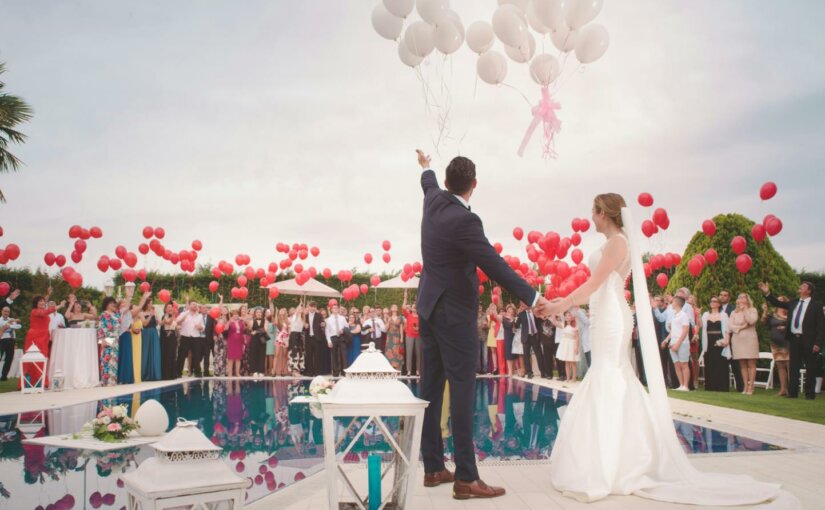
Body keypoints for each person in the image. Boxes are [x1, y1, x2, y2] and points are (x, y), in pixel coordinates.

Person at [535, 194, 782, 505]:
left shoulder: (617, 243)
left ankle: (615, 463)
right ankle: (620, 456)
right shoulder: (617, 241)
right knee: (610, 373)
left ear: (603, 213)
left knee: (610, 374)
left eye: (593, 212)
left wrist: (559, 303)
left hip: (611, 314)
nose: (591, 218)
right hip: (605, 313)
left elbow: (594, 284)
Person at [413, 149, 544, 499]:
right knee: (462, 390)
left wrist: (425, 165)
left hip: (427, 308)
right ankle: (466, 478)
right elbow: (495, 264)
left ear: (445, 181)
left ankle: (433, 467)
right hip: (454, 317)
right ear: (474, 185)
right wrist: (532, 298)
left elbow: (426, 182)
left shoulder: (432, 201)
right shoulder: (465, 220)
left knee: (429, 391)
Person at [760, 281, 825, 399]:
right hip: (794, 339)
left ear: (809, 291)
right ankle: (792, 393)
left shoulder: (816, 305)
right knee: (794, 366)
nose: (800, 286)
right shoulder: (794, 303)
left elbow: (821, 326)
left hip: (809, 340)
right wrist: (767, 293)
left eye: (804, 286)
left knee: (810, 367)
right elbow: (777, 303)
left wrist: (818, 343)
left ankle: (810, 394)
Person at [728, 293, 759, 395]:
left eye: (743, 297)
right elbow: (730, 326)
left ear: (747, 299)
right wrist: (741, 327)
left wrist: (745, 310)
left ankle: (751, 386)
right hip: (737, 339)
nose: (741, 298)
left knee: (751, 363)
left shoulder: (752, 310)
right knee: (742, 364)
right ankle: (745, 385)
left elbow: (751, 321)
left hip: (750, 339)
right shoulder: (734, 312)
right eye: (739, 297)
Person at [701, 296, 730, 392]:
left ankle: (721, 386)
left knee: (720, 362)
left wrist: (726, 341)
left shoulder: (724, 315)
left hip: (719, 339)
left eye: (715, 301)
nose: (712, 303)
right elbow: (700, 325)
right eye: (711, 301)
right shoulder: (705, 315)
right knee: (710, 362)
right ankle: (710, 385)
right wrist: (697, 315)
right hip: (708, 341)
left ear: (719, 304)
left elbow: (727, 330)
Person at [762, 297, 790, 396]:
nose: (779, 301)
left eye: (781, 300)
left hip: (787, 342)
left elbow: (794, 325)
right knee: (780, 366)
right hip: (775, 343)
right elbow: (764, 323)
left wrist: (785, 328)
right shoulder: (772, 315)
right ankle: (783, 390)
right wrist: (764, 311)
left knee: (789, 365)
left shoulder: (790, 314)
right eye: (778, 299)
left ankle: (791, 389)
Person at [663, 296, 691, 391]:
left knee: (684, 364)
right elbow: (673, 331)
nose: (671, 304)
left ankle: (686, 386)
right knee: (676, 364)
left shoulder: (684, 315)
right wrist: (666, 340)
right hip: (673, 342)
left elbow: (685, 330)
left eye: (673, 302)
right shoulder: (675, 315)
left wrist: (678, 344)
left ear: (677, 303)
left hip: (682, 343)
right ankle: (681, 384)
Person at [719, 289, 744, 392]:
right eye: (721, 295)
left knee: (735, 364)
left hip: (732, 339)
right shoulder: (716, 308)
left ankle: (740, 387)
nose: (722, 297)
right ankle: (722, 385)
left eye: (725, 295)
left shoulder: (733, 309)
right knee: (721, 364)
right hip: (719, 339)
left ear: (728, 298)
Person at [98, 297, 126, 386]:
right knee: (107, 359)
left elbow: (126, 308)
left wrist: (129, 296)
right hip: (107, 338)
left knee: (114, 360)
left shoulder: (116, 314)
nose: (113, 304)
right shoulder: (103, 314)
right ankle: (105, 381)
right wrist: (101, 340)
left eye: (114, 303)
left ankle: (113, 381)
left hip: (116, 339)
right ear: (106, 304)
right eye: (111, 303)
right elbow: (100, 328)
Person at [516, 302, 547, 379]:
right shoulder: (521, 314)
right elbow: (516, 325)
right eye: (522, 305)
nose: (523, 305)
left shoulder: (534, 312)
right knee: (526, 356)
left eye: (524, 304)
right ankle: (529, 373)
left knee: (539, 355)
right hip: (526, 337)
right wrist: (517, 315)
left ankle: (543, 372)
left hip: (535, 336)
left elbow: (540, 322)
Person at [175, 299, 205, 377]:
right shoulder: (184, 314)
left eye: (196, 304)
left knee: (197, 355)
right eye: (193, 304)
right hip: (185, 337)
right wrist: (183, 319)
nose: (195, 306)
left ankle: (197, 373)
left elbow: (203, 327)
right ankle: (178, 373)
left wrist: (200, 327)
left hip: (196, 337)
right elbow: (176, 322)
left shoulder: (200, 316)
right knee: (181, 355)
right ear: (190, 305)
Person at [553, 312, 579, 382]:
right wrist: (552, 314)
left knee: (573, 362)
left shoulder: (575, 326)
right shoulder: (563, 325)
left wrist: (576, 346)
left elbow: (577, 337)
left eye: (569, 315)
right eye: (566, 316)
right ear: (565, 317)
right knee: (567, 362)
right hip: (565, 345)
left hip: (572, 344)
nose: (568, 317)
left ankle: (574, 378)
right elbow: (555, 323)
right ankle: (567, 378)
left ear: (571, 317)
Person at [140, 299, 161, 381]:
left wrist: (156, 316)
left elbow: (159, 323)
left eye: (152, 303)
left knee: (155, 352)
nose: (151, 305)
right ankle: (145, 374)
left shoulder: (154, 313)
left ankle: (155, 374)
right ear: (146, 304)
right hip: (146, 333)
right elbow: (144, 323)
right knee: (146, 352)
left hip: (154, 333)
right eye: (150, 303)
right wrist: (150, 316)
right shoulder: (142, 313)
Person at [326, 304, 349, 376]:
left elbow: (347, 327)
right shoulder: (328, 319)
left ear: (338, 309)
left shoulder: (342, 318)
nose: (335, 309)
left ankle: (344, 371)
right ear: (331, 310)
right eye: (334, 308)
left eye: (336, 308)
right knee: (334, 355)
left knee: (344, 355)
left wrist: (343, 330)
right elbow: (327, 331)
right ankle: (335, 372)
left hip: (341, 337)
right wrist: (329, 341)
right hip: (333, 337)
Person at [303, 301, 324, 377]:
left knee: (317, 355)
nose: (312, 308)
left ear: (315, 308)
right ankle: (310, 372)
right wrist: (304, 326)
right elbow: (302, 328)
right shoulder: (305, 316)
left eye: (314, 306)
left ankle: (317, 372)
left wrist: (323, 324)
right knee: (309, 355)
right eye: (311, 306)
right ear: (309, 307)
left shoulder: (319, 315)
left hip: (316, 338)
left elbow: (323, 323)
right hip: (308, 338)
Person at [0, 306, 22, 381]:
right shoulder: (0, 320)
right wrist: (10, 325)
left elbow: (19, 326)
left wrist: (10, 325)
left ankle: (4, 376)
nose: (6, 313)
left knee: (9, 359)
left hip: (11, 340)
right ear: (1, 311)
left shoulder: (11, 319)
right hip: (2, 340)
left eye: (8, 311)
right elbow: (3, 327)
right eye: (5, 311)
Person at [159, 303, 178, 380]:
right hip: (166, 337)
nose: (170, 308)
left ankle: (172, 374)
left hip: (173, 336)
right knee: (167, 355)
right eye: (168, 307)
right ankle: (166, 375)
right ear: (165, 309)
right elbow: (168, 322)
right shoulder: (164, 316)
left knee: (173, 355)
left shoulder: (173, 317)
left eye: (171, 307)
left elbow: (175, 326)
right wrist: (173, 315)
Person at [226, 308, 245, 377]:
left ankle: (237, 373)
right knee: (230, 358)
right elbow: (225, 329)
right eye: (234, 314)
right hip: (231, 341)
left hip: (239, 341)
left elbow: (243, 331)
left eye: (237, 314)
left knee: (238, 358)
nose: (236, 316)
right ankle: (230, 373)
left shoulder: (241, 322)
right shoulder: (230, 322)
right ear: (232, 315)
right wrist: (229, 321)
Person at [288, 302, 305, 376]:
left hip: (299, 335)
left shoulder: (302, 318)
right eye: (299, 309)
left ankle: (299, 368)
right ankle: (294, 370)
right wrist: (300, 303)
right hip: (294, 335)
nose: (300, 310)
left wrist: (303, 307)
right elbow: (297, 311)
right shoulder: (295, 316)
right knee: (294, 352)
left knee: (300, 352)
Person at [249, 307, 268, 376]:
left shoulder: (265, 321)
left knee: (262, 355)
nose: (259, 313)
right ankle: (254, 371)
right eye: (257, 312)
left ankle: (261, 371)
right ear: (255, 314)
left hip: (262, 339)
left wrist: (256, 331)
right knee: (254, 355)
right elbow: (250, 330)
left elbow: (265, 330)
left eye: (260, 312)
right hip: (254, 340)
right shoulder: (252, 321)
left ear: (262, 314)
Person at [385, 305, 404, 371]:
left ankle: (399, 370)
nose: (394, 307)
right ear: (391, 309)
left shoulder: (400, 318)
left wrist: (402, 337)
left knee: (398, 353)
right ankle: (390, 370)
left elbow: (401, 328)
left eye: (395, 306)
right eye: (393, 306)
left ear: (397, 309)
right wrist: (388, 321)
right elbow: (386, 328)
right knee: (390, 353)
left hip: (397, 337)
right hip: (390, 337)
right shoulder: (389, 318)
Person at [274, 308, 290, 376]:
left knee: (284, 355)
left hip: (285, 338)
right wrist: (276, 313)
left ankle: (283, 370)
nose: (282, 311)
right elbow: (275, 323)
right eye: (281, 310)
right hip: (279, 338)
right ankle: (273, 371)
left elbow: (289, 330)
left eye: (284, 310)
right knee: (276, 354)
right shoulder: (277, 319)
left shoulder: (287, 320)